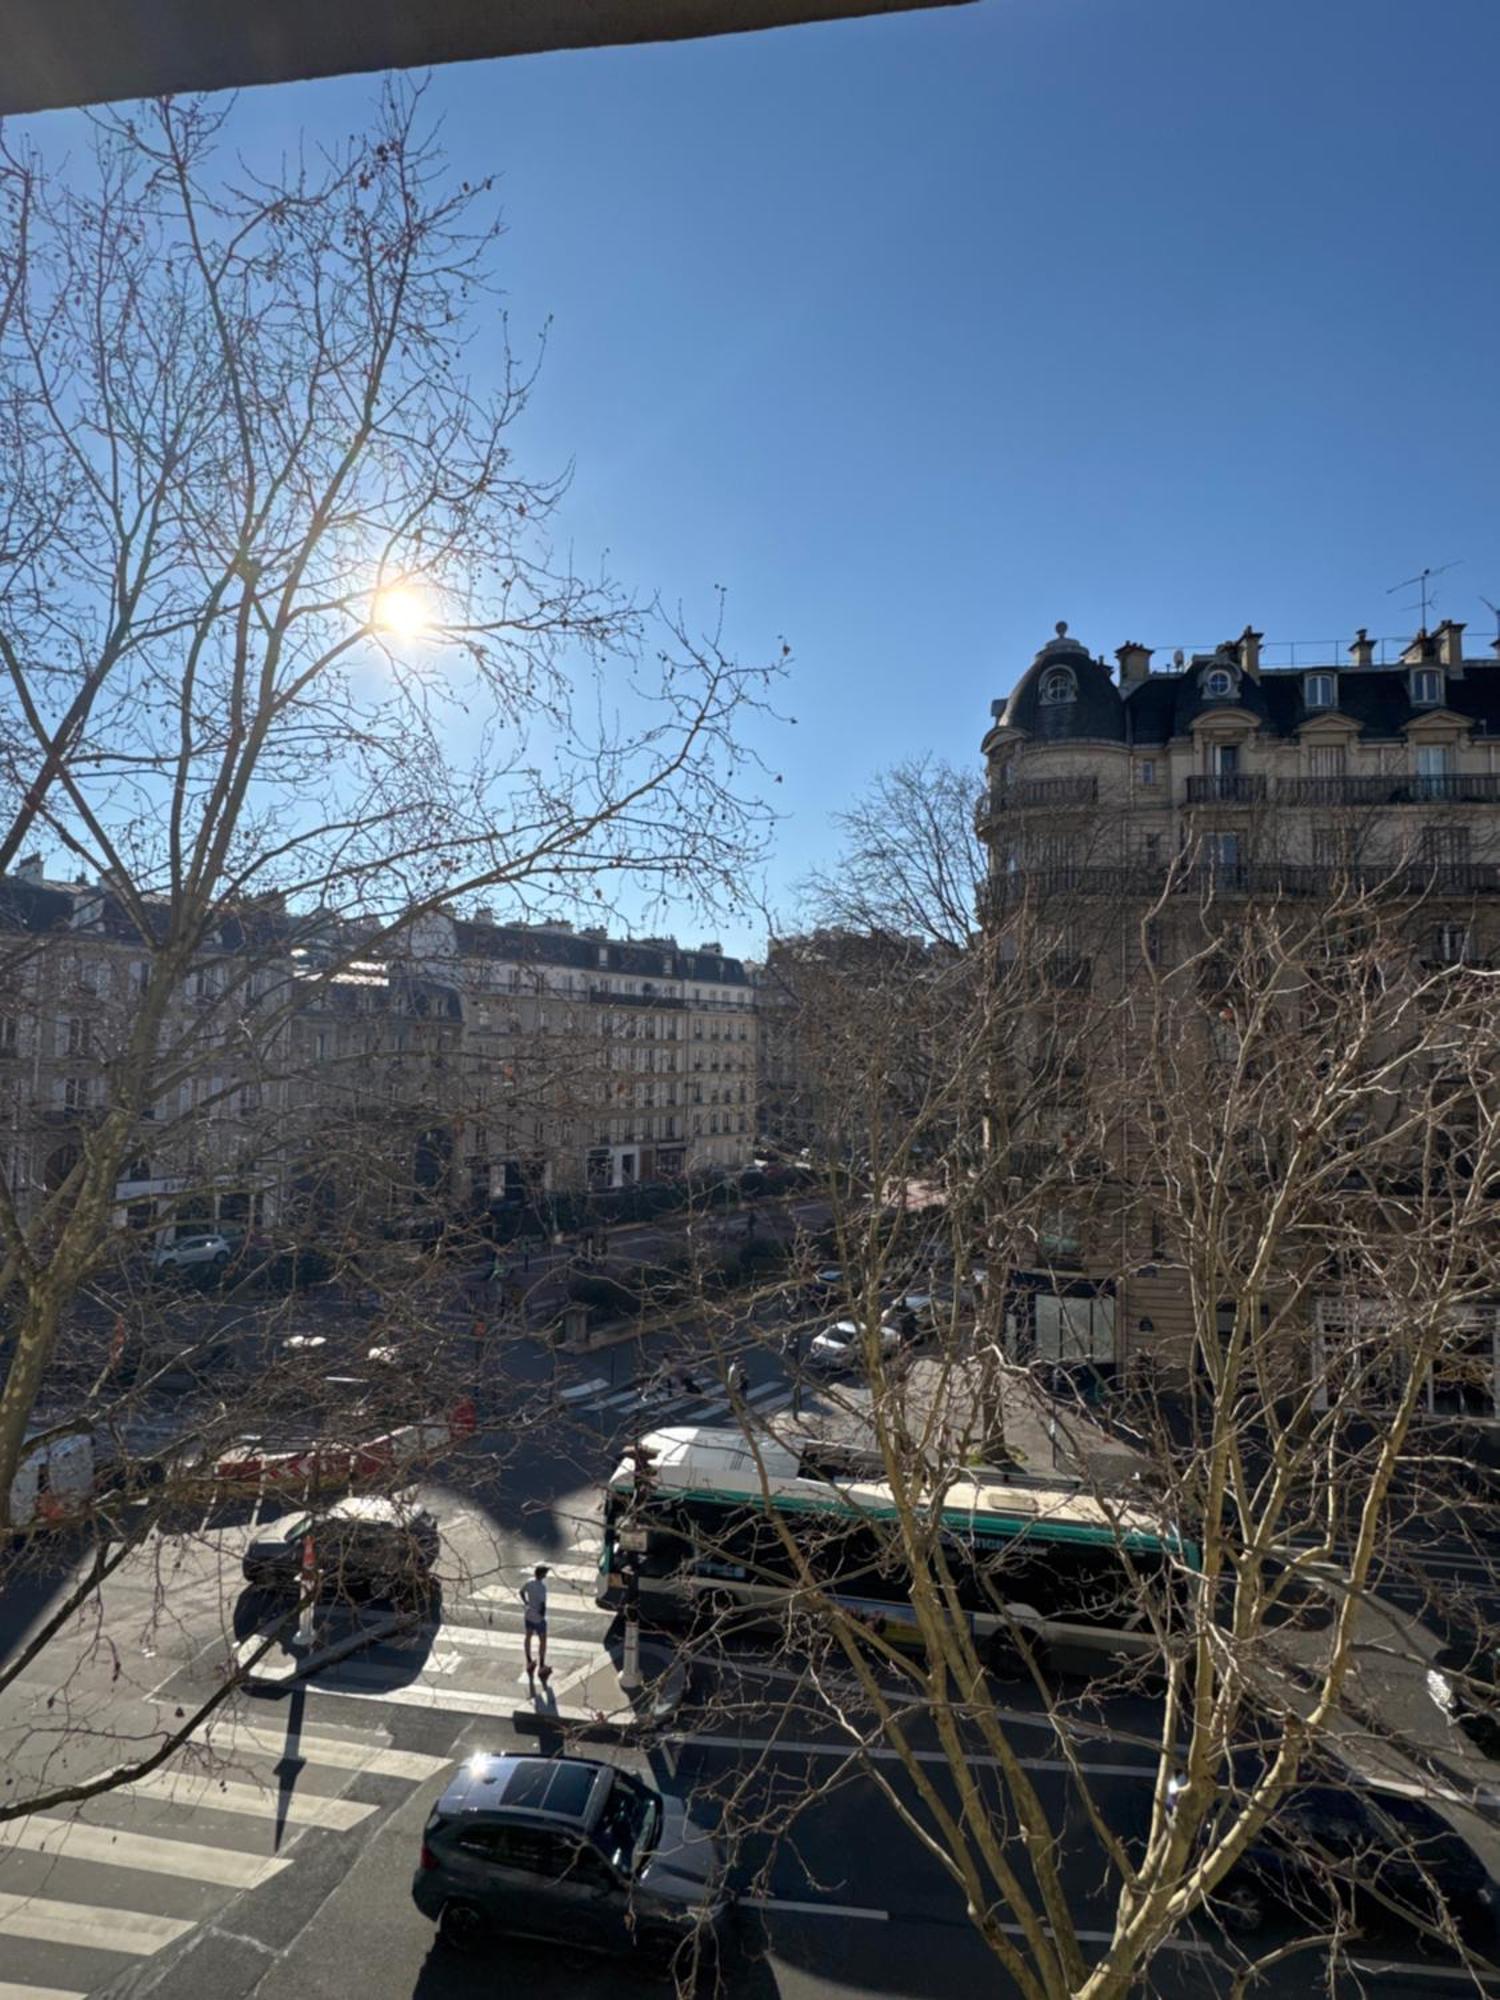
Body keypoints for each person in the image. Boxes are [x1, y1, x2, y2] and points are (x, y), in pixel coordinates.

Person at [520, 1564, 551, 1682]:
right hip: (538, 1618)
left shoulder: (529, 1582)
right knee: (542, 1640)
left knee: (528, 1636)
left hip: (528, 1615)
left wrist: (526, 1603)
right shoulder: (542, 1588)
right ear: (542, 1575)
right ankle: (542, 1665)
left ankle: (529, 1661)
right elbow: (543, 1605)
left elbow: (521, 1592)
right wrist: (542, 1616)